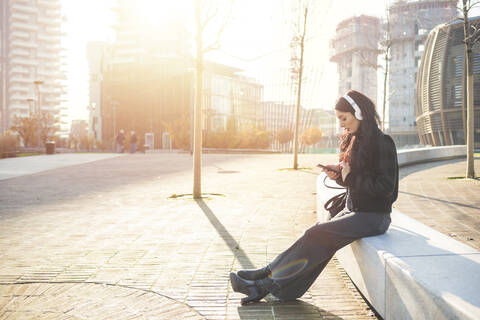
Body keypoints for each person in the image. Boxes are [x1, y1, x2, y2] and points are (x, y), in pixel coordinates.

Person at [230, 90, 399, 305]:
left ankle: (262, 284)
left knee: (316, 233)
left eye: (343, 118)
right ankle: (271, 278)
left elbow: (386, 188)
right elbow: (354, 180)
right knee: (317, 238)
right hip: (354, 210)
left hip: (374, 217)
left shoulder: (383, 142)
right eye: (338, 119)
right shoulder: (355, 140)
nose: (341, 125)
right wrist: (339, 176)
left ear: (359, 113)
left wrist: (350, 177)